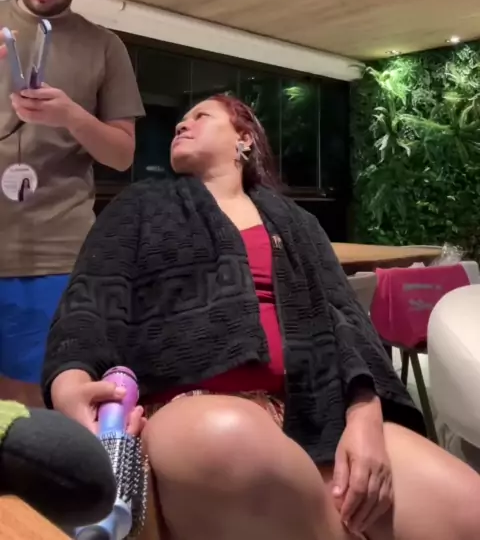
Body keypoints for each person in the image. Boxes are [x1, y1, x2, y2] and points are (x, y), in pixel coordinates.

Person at [42, 95, 480, 540]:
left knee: (466, 504)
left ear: (244, 138)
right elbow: (89, 301)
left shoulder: (298, 222)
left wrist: (364, 419)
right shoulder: (138, 206)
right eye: (181, 120)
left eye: (200, 116)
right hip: (187, 412)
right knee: (224, 436)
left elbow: (348, 321)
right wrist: (69, 384)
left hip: (316, 416)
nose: (181, 125)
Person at [0, 0, 145, 399]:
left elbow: (122, 154)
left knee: (38, 403)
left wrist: (71, 115)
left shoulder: (105, 47)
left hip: (59, 258)